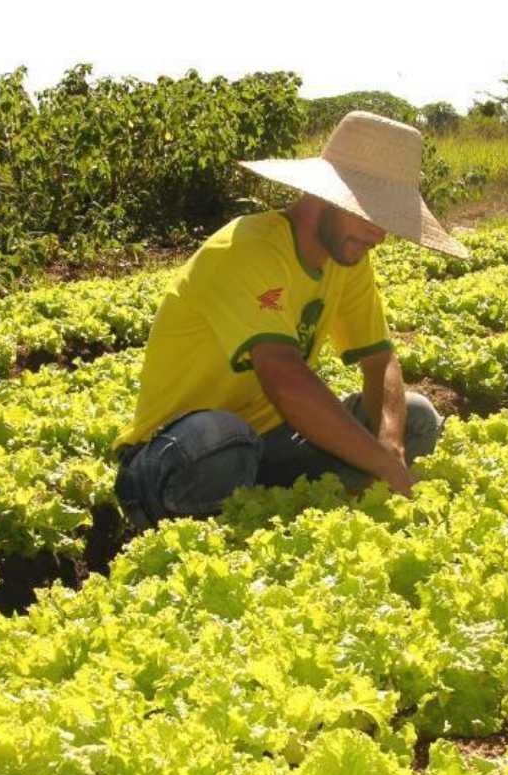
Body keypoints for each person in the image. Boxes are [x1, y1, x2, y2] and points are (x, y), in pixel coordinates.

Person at [111, 110, 469, 531]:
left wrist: (389, 443)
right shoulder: (247, 248)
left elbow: (380, 360)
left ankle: (281, 523)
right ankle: (179, 532)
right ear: (328, 198)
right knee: (224, 439)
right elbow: (283, 376)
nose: (380, 236)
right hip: (175, 455)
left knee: (417, 416)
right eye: (370, 215)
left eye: (386, 221)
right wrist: (379, 462)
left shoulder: (347, 258)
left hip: (271, 446)